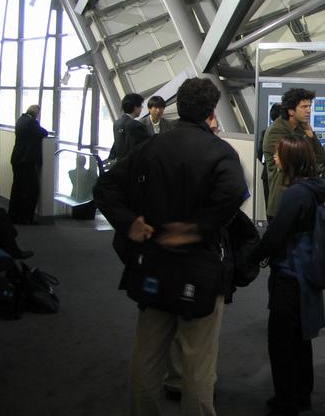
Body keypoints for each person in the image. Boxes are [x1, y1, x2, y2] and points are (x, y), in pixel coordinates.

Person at [93, 77, 248, 416]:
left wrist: (129, 222)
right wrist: (196, 228)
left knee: (147, 353)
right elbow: (234, 193)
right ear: (211, 112)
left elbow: (105, 186)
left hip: (153, 262)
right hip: (200, 268)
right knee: (198, 362)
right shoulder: (220, 152)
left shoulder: (152, 147)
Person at [250, 134, 325, 416]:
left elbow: (275, 236)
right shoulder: (314, 188)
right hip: (305, 272)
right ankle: (301, 393)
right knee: (299, 338)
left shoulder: (295, 194)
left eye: (278, 153)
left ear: (290, 159)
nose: (274, 157)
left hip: (290, 273)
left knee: (282, 340)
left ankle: (286, 399)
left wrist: (250, 258)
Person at [262, 88, 325, 220]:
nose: (309, 110)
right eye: (304, 107)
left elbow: (321, 159)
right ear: (291, 111)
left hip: (303, 201)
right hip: (283, 202)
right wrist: (314, 167)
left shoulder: (302, 128)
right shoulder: (276, 131)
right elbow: (295, 165)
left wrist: (311, 136)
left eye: (309, 106)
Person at [8, 105, 49, 225]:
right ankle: (25, 217)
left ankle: (13, 215)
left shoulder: (21, 119)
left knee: (17, 187)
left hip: (17, 158)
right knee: (31, 189)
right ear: (36, 113)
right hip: (26, 160)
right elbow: (44, 133)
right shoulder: (32, 123)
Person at [109, 93, 151, 162]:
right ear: (135, 107)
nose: (141, 108)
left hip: (121, 164)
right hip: (134, 164)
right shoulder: (136, 125)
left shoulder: (116, 124)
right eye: (141, 106)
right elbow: (149, 145)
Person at [258, 103, 282, 207]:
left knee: (270, 206)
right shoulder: (288, 132)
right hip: (281, 176)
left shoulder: (265, 132)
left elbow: (259, 153)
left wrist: (268, 164)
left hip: (267, 173)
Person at [68, 154, 99, 220]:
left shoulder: (71, 172)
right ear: (85, 163)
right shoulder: (89, 174)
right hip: (85, 196)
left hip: (76, 195)